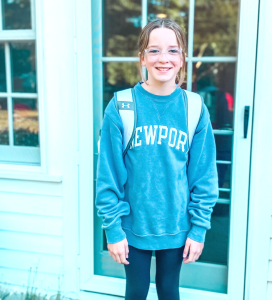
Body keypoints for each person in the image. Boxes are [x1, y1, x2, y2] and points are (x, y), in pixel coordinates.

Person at [95, 18, 219, 300]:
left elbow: (204, 176)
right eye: (154, 50)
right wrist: (112, 229)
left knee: (169, 291)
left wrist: (199, 229)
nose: (164, 58)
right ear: (142, 57)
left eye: (172, 50)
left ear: (183, 56)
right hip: (133, 225)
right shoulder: (122, 106)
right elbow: (108, 176)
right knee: (136, 292)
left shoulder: (194, 108)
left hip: (176, 225)